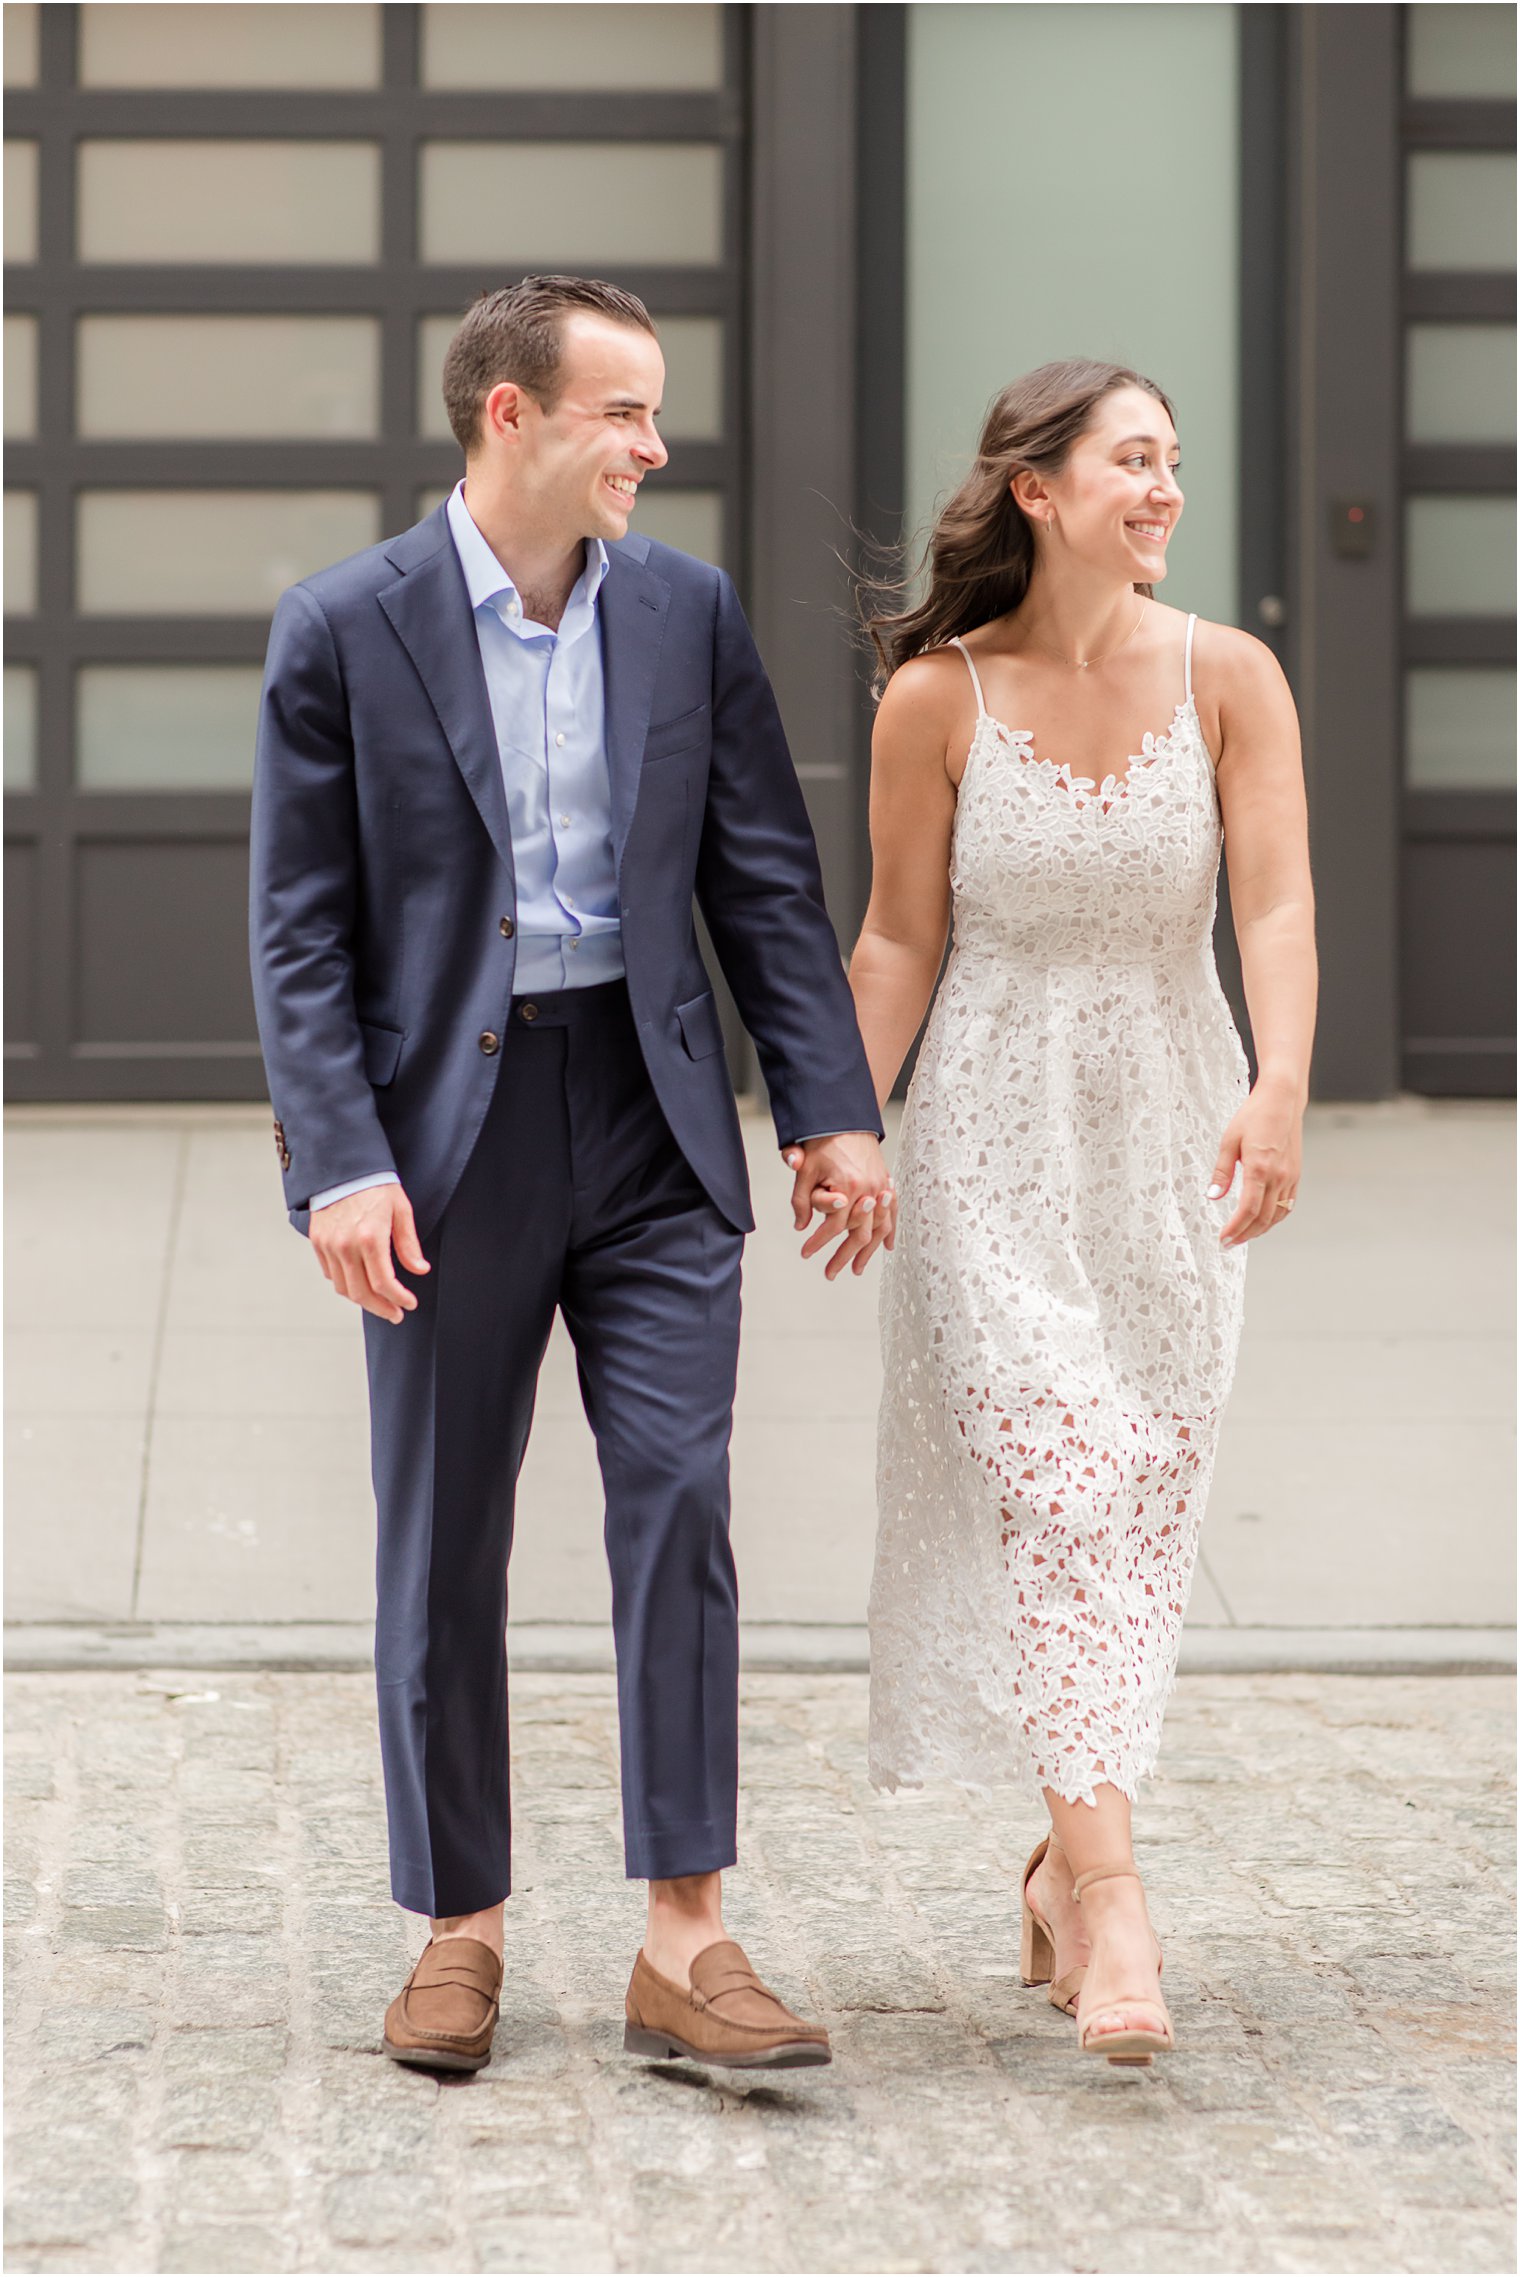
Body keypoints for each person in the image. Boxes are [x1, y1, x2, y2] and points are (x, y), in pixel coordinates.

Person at [250, 274, 894, 2075]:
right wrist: (341, 1166)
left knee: (679, 1499)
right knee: (444, 1533)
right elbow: (299, 937)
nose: (656, 445)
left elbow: (763, 878)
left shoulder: (684, 612)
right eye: (624, 411)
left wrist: (831, 1110)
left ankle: (687, 1933)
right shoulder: (342, 627)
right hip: (439, 1144)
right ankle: (460, 1924)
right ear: (508, 417)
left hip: (650, 1112)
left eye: (658, 410)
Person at [843, 360, 1316, 2064]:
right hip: (987, 1134)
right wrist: (844, 1125)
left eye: (1174, 462)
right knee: (1063, 1475)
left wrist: (1277, 1085)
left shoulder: (1233, 675)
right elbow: (898, 938)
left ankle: (1059, 1858)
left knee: (1144, 1495)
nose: (1166, 488)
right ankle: (1116, 1906)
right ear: (1038, 488)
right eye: (1133, 460)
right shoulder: (937, 696)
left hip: (1172, 1132)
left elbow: (1273, 901)